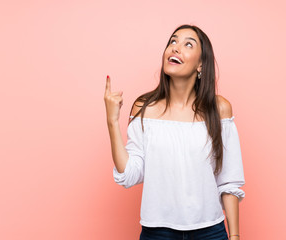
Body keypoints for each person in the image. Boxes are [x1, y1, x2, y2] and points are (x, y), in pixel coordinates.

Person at [104, 24, 245, 240]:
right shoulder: (145, 108)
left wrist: (234, 236)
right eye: (173, 41)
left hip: (210, 232)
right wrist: (112, 121)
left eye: (188, 44)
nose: (176, 48)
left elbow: (229, 181)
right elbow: (129, 175)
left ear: (201, 64)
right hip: (157, 232)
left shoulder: (219, 109)